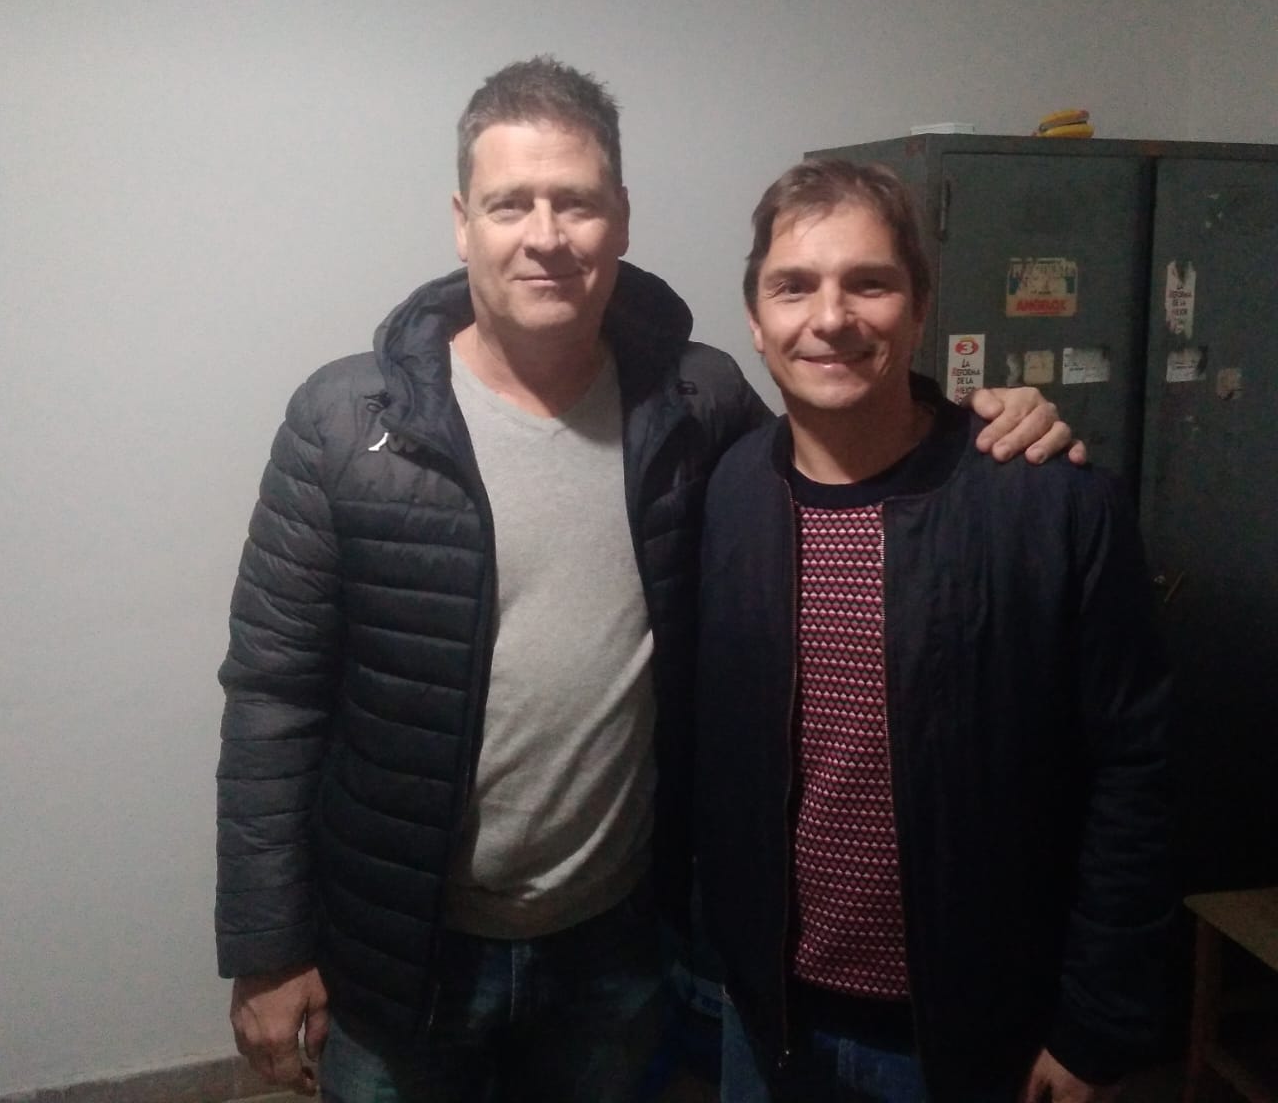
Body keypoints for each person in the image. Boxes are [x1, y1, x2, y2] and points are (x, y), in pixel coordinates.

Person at [215, 58, 1077, 1103]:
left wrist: (975, 419)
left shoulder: (696, 401)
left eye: (575, 201)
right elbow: (274, 696)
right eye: (510, 203)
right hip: (402, 949)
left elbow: (835, 445)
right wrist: (268, 947)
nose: (545, 234)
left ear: (620, 218)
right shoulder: (345, 424)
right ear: (462, 222)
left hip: (615, 945)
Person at [693, 159, 1173, 1103]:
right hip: (766, 1021)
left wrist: (1098, 1026)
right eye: (794, 286)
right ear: (755, 318)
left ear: (920, 309)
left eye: (869, 283)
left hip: (973, 1038)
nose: (831, 317)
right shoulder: (732, 490)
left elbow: (1137, 774)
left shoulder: (1052, 504)